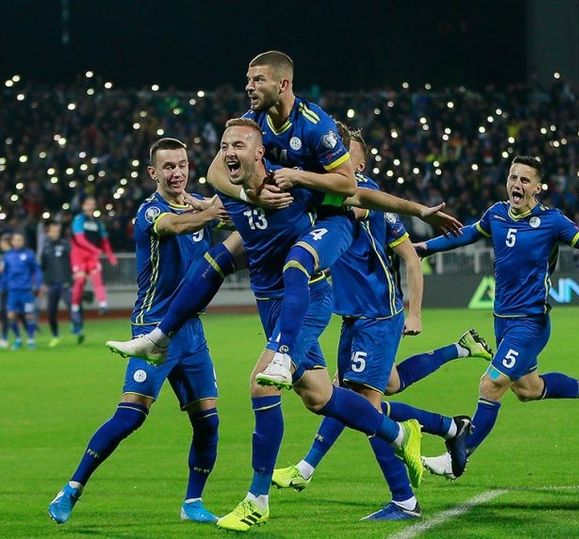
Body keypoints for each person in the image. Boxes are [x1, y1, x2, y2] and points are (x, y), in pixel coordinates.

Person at [107, 50, 459, 366]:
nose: (249, 87)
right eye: (248, 80)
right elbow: (215, 171)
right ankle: (159, 336)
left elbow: (352, 189)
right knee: (216, 260)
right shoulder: (254, 121)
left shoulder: (315, 128)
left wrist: (299, 175)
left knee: (298, 263)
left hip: (327, 220)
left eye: (257, 80)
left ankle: (284, 354)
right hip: (284, 216)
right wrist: (252, 198)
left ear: (283, 83)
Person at [199, 119, 428, 532]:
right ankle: (402, 436)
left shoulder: (340, 191)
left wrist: (419, 211)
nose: (348, 174)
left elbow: (371, 201)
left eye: (352, 166)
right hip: (311, 307)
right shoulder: (291, 178)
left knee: (263, 383)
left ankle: (258, 499)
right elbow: (217, 171)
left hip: (356, 311)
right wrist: (244, 195)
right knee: (321, 395)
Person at [270, 126, 490, 520]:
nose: (336, 162)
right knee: (359, 396)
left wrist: (415, 310)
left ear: (360, 162)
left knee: (365, 407)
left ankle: (404, 499)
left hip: (377, 317)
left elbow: (408, 256)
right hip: (351, 317)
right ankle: (451, 427)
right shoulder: (329, 192)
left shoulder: (363, 198)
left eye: (345, 156)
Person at [415, 155, 579, 477]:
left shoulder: (552, 221)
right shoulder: (496, 214)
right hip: (503, 319)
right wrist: (423, 248)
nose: (517, 184)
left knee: (491, 384)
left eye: (525, 180)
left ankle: (458, 456)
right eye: (513, 178)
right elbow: (464, 235)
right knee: (527, 389)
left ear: (538, 188)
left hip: (530, 323)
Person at [48, 137, 225, 525]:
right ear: (153, 173)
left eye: (181, 165)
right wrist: (212, 211)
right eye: (168, 167)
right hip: (153, 328)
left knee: (208, 421)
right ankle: (71, 489)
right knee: (131, 416)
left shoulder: (199, 203)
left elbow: (235, 217)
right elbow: (176, 225)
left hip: (192, 331)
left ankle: (192, 503)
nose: (176, 172)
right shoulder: (150, 212)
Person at [70, 196, 118, 317]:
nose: (91, 206)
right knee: (80, 280)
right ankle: (74, 307)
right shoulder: (79, 219)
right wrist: (95, 249)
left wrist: (111, 256)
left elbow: (105, 241)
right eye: (88, 204)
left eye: (92, 204)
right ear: (83, 206)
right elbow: (79, 239)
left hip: (92, 255)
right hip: (79, 253)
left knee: (97, 278)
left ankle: (103, 305)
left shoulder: (98, 222)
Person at [40, 221, 82, 346]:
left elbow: (74, 261)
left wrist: (75, 273)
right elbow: (43, 266)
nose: (55, 233)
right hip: (52, 284)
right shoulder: (45, 247)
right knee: (51, 312)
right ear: (48, 232)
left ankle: (76, 328)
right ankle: (55, 336)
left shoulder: (66, 245)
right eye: (53, 230)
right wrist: (43, 282)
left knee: (72, 305)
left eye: (57, 231)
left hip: (65, 283)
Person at [2, 232, 41, 350]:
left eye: (19, 240)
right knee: (10, 315)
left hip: (26, 291)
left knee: (29, 315)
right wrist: (3, 286)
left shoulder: (29, 254)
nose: (17, 242)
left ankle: (31, 339)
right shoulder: (7, 256)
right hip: (13, 292)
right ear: (12, 242)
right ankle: (18, 338)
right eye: (15, 240)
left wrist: (37, 284)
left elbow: (36, 270)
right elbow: (5, 273)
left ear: (23, 241)